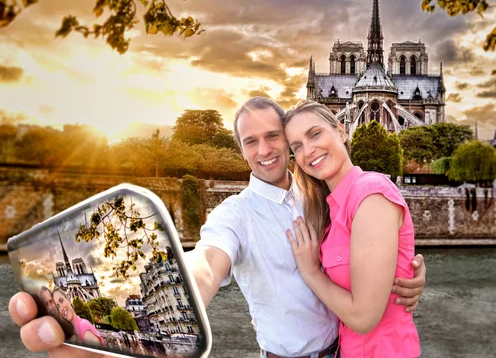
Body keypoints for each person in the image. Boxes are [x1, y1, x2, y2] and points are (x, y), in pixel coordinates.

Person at [9, 97, 426, 358]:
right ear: (240, 149)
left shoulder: (322, 195)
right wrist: (166, 304)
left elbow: (364, 253)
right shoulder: (235, 214)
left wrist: (406, 273)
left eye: (275, 137)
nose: (264, 150)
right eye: (250, 141)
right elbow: (207, 262)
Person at [284, 100, 420, 357]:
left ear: (342, 131)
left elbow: (363, 317)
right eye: (297, 147)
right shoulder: (332, 207)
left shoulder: (370, 194)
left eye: (315, 134)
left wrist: (312, 272)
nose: (309, 150)